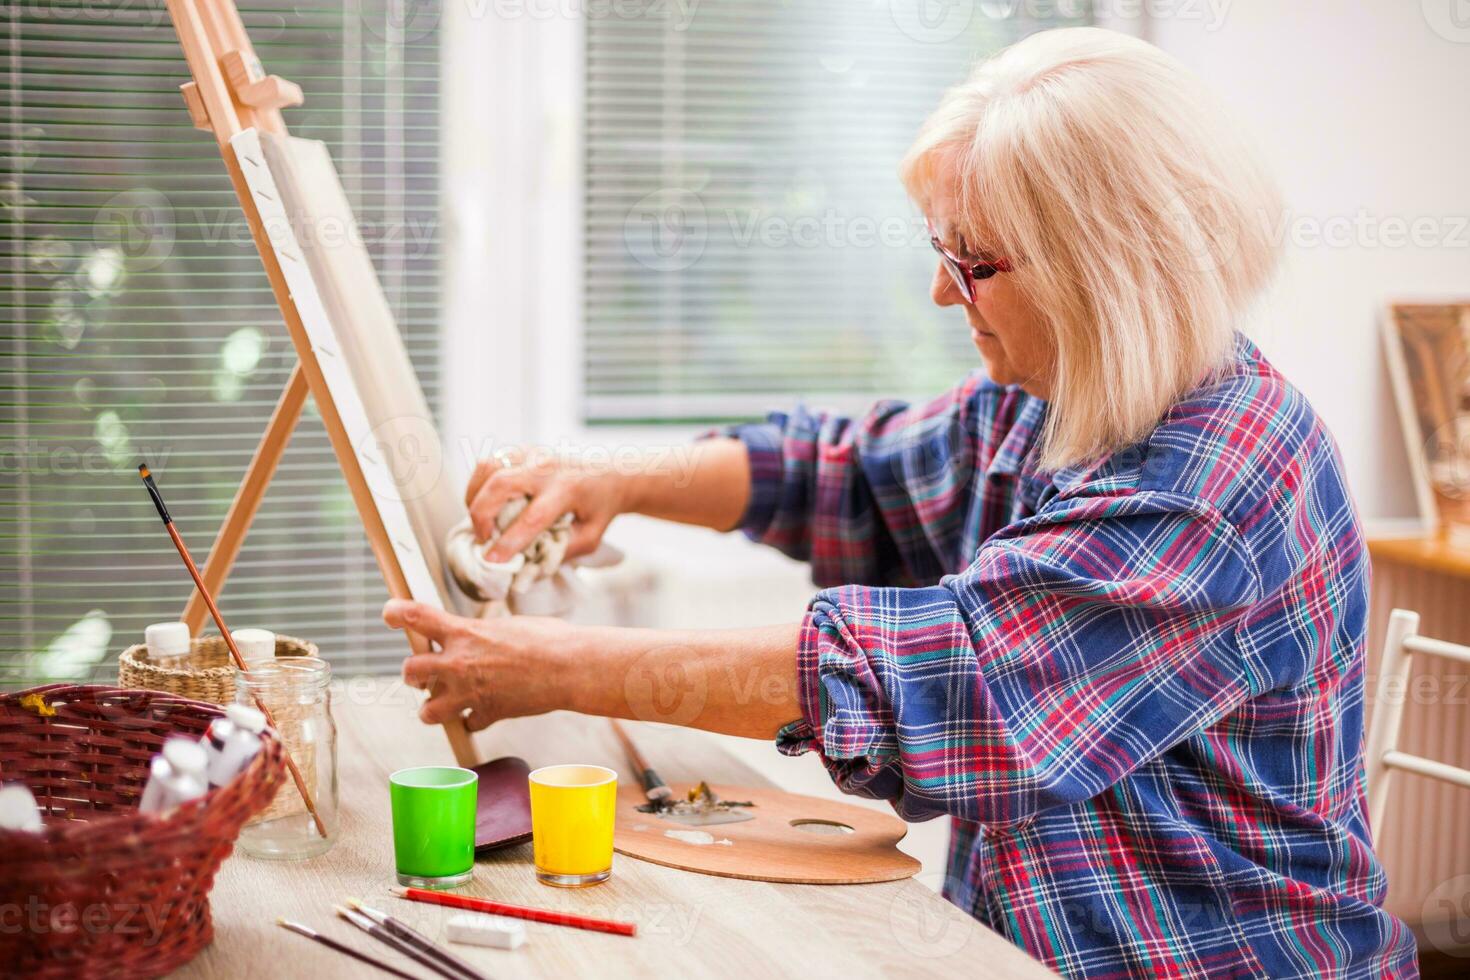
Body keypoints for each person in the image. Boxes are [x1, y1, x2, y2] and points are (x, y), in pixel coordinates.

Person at [384, 27, 1416, 978]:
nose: (942, 295)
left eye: (971, 263)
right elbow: (847, 470)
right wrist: (616, 479)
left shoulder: (1210, 486)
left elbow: (939, 680)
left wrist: (550, 668)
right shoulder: (1059, 399)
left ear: (1104, 272)